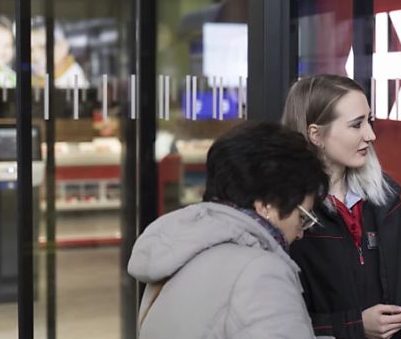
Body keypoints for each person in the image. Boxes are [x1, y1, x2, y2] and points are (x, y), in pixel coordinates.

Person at [128, 122, 330, 339]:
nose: (300, 233)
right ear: (267, 205)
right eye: (302, 218)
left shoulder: (179, 253)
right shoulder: (260, 271)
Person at [282, 75, 401, 339]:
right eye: (356, 125)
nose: (370, 135)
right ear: (316, 135)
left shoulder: (386, 201)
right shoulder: (289, 217)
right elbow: (277, 326)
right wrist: (355, 327)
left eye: (369, 121)